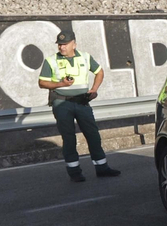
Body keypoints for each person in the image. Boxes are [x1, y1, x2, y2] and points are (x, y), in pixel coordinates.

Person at [37, 30, 120, 183]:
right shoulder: (51, 60)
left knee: (93, 134)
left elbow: (99, 72)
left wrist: (94, 90)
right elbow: (42, 82)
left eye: (65, 44)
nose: (62, 47)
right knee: (69, 137)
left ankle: (102, 167)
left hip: (82, 101)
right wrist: (61, 84)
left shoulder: (85, 57)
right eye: (60, 45)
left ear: (74, 44)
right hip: (62, 102)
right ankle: (74, 171)